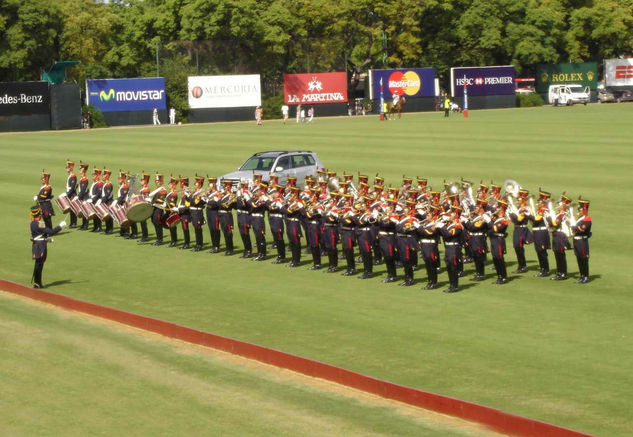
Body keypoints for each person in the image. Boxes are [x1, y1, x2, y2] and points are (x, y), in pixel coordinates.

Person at [30, 204, 65, 289]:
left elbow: (40, 235)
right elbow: (51, 232)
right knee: (40, 264)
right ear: (39, 213)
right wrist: (60, 226)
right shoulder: (40, 224)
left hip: (36, 244)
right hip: (41, 245)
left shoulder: (32, 223)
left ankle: (37, 282)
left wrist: (47, 240)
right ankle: (38, 283)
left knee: (38, 263)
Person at [548, 193, 572, 280]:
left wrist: (550, 219)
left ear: (563, 205)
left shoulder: (563, 214)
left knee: (560, 255)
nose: (557, 205)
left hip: (560, 235)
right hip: (556, 234)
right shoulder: (559, 214)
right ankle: (559, 272)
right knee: (557, 254)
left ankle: (563, 273)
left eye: (559, 203)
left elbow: (555, 224)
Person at [440, 205, 464, 292]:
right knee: (449, 267)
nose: (449, 216)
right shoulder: (449, 224)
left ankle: (455, 286)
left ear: (456, 216)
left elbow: (448, 234)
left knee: (453, 267)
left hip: (454, 248)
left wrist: (441, 227)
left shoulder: (457, 225)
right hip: (448, 247)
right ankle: (452, 285)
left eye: (451, 215)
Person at [509, 189, 534, 273]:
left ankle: (522, 266)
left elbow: (518, 220)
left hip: (521, 229)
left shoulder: (525, 209)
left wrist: (512, 214)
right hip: (517, 229)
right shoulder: (519, 208)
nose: (518, 201)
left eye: (519, 199)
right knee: (517, 247)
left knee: (518, 247)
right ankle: (521, 265)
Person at [488, 200, 510, 284]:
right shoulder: (496, 218)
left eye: (498, 208)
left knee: (499, 259)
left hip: (498, 240)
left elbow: (496, 229)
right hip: (494, 240)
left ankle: (503, 277)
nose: (496, 209)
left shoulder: (504, 220)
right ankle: (499, 276)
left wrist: (489, 221)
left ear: (501, 210)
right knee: (495, 259)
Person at [531, 190, 552, 277]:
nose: (538, 202)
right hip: (537, 232)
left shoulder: (544, 210)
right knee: (539, 251)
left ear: (543, 202)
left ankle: (545, 270)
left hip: (541, 232)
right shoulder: (540, 210)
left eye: (539, 201)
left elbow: (536, 221)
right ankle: (543, 268)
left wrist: (529, 216)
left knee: (542, 251)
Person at [571, 197, 592, 284]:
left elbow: (581, 230)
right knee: (579, 258)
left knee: (583, 259)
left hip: (582, 241)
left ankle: (585, 276)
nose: (579, 211)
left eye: (580, 210)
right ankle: (582, 275)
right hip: (576, 240)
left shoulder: (587, 219)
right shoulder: (579, 219)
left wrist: (575, 228)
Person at [150, 173, 167, 245]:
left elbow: (161, 201)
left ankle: (160, 240)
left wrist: (154, 203)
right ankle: (158, 239)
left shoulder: (163, 190)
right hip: (154, 209)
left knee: (158, 224)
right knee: (155, 223)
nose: (157, 183)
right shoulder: (158, 190)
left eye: (158, 181)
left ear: (161, 182)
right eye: (156, 181)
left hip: (158, 210)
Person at [178, 177, 192, 250]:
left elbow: (187, 206)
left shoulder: (187, 194)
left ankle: (187, 243)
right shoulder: (185, 194)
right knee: (184, 228)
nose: (182, 188)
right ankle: (186, 243)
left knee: (185, 228)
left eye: (183, 186)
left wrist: (179, 209)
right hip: (182, 213)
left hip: (185, 214)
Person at [166, 176, 179, 247]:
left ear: (173, 186)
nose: (169, 185)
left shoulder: (173, 194)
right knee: (170, 227)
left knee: (172, 227)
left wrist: (165, 205)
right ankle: (173, 241)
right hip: (168, 212)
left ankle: (174, 241)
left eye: (170, 184)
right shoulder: (170, 193)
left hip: (172, 212)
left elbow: (172, 204)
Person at [100, 168, 115, 234]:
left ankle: (110, 229)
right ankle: (107, 229)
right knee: (107, 216)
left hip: (108, 201)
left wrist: (102, 200)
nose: (102, 176)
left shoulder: (108, 184)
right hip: (106, 201)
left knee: (109, 217)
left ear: (107, 176)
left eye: (103, 175)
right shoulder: (105, 184)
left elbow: (107, 194)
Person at [64, 160, 78, 228]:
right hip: (70, 194)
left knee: (73, 210)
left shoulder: (73, 176)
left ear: (71, 168)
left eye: (68, 167)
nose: (66, 168)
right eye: (66, 167)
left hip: (72, 195)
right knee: (71, 210)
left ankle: (73, 223)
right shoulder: (70, 176)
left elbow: (72, 188)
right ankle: (72, 223)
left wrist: (67, 194)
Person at [77, 162, 90, 230]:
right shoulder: (82, 178)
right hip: (83, 196)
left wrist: (78, 197)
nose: (79, 170)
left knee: (85, 211)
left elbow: (83, 190)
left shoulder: (84, 179)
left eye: (80, 169)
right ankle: (83, 224)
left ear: (84, 170)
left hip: (84, 197)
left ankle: (85, 225)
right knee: (83, 211)